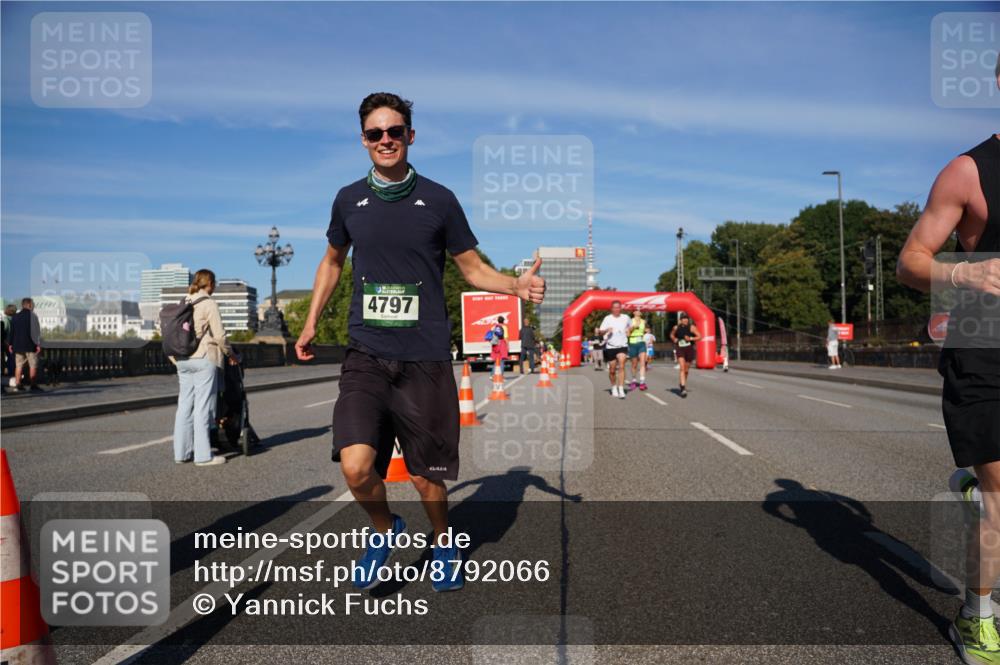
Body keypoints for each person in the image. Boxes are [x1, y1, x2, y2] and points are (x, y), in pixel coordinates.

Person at [294, 92, 545, 593]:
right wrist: (311, 320)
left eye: (394, 131)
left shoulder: (440, 199)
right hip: (366, 352)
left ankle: (443, 541)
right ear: (363, 140)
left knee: (425, 476)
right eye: (375, 133)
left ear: (410, 135)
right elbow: (332, 262)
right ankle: (385, 528)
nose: (385, 140)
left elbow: (472, 269)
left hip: (423, 357)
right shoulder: (348, 199)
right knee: (356, 466)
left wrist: (514, 286)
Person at [897, 120, 1000, 664]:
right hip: (984, 351)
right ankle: (976, 618)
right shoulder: (968, 172)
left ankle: (976, 488)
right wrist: (966, 275)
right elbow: (910, 260)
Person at [169, 269, 235, 467]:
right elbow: (220, 335)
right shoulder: (208, 303)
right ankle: (203, 456)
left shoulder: (184, 301)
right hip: (203, 358)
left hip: (182, 359)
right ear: (211, 284)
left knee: (184, 406)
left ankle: (181, 453)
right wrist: (231, 354)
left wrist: (176, 359)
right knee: (202, 407)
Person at [8, 298, 43, 393]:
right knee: (33, 365)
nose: (33, 306)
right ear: (29, 305)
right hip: (30, 346)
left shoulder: (15, 317)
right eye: (33, 304)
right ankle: (33, 385)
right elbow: (37, 332)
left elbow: (12, 332)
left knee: (18, 366)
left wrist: (10, 344)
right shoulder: (33, 316)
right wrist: (38, 344)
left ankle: (18, 384)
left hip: (18, 346)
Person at [598, 300, 630, 398]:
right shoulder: (607, 318)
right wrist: (607, 330)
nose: (616, 309)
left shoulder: (626, 317)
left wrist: (629, 330)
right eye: (614, 308)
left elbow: (630, 326)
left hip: (622, 345)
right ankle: (614, 387)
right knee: (612, 370)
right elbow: (600, 332)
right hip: (611, 346)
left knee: (622, 366)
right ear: (611, 309)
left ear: (621, 308)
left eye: (618, 307)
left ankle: (621, 388)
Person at [669, 313, 701, 398]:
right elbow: (671, 335)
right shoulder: (676, 327)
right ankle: (683, 388)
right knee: (682, 368)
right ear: (680, 320)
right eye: (683, 318)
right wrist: (674, 339)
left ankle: (682, 383)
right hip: (680, 348)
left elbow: (699, 336)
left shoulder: (692, 327)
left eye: (686, 318)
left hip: (689, 349)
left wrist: (690, 338)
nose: (685, 320)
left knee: (686, 370)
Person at [626, 310, 648, 391]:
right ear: (633, 312)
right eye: (636, 310)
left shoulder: (643, 321)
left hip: (641, 343)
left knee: (642, 362)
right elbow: (627, 334)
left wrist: (644, 332)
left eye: (639, 311)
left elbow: (644, 331)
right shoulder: (630, 321)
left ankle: (642, 382)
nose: (638, 312)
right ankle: (634, 380)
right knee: (634, 364)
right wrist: (634, 327)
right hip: (632, 343)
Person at [1, 304, 15, 392]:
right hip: (10, 343)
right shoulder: (12, 320)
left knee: (8, 360)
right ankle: (11, 373)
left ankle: (8, 374)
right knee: (11, 359)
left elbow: (4, 331)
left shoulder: (6, 320)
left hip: (6, 343)